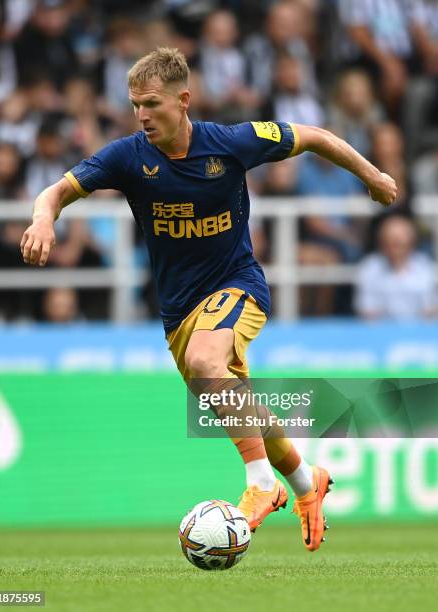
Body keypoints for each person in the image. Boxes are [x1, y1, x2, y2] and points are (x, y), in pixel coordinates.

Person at [20, 47, 397, 552]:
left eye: (152, 103)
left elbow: (314, 137)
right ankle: (309, 482)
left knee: (206, 360)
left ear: (184, 100)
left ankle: (262, 483)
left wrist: (371, 175)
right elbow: (56, 191)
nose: (141, 115)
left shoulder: (231, 142)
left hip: (238, 284)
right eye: (135, 104)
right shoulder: (127, 156)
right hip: (179, 311)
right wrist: (44, 217)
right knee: (235, 400)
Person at [355, 215, 437, 320]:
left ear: (411, 242)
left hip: (418, 332)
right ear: (382, 242)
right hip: (380, 332)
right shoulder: (370, 267)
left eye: (399, 243)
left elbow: (431, 310)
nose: (395, 247)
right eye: (391, 241)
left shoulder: (424, 266)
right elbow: (366, 311)